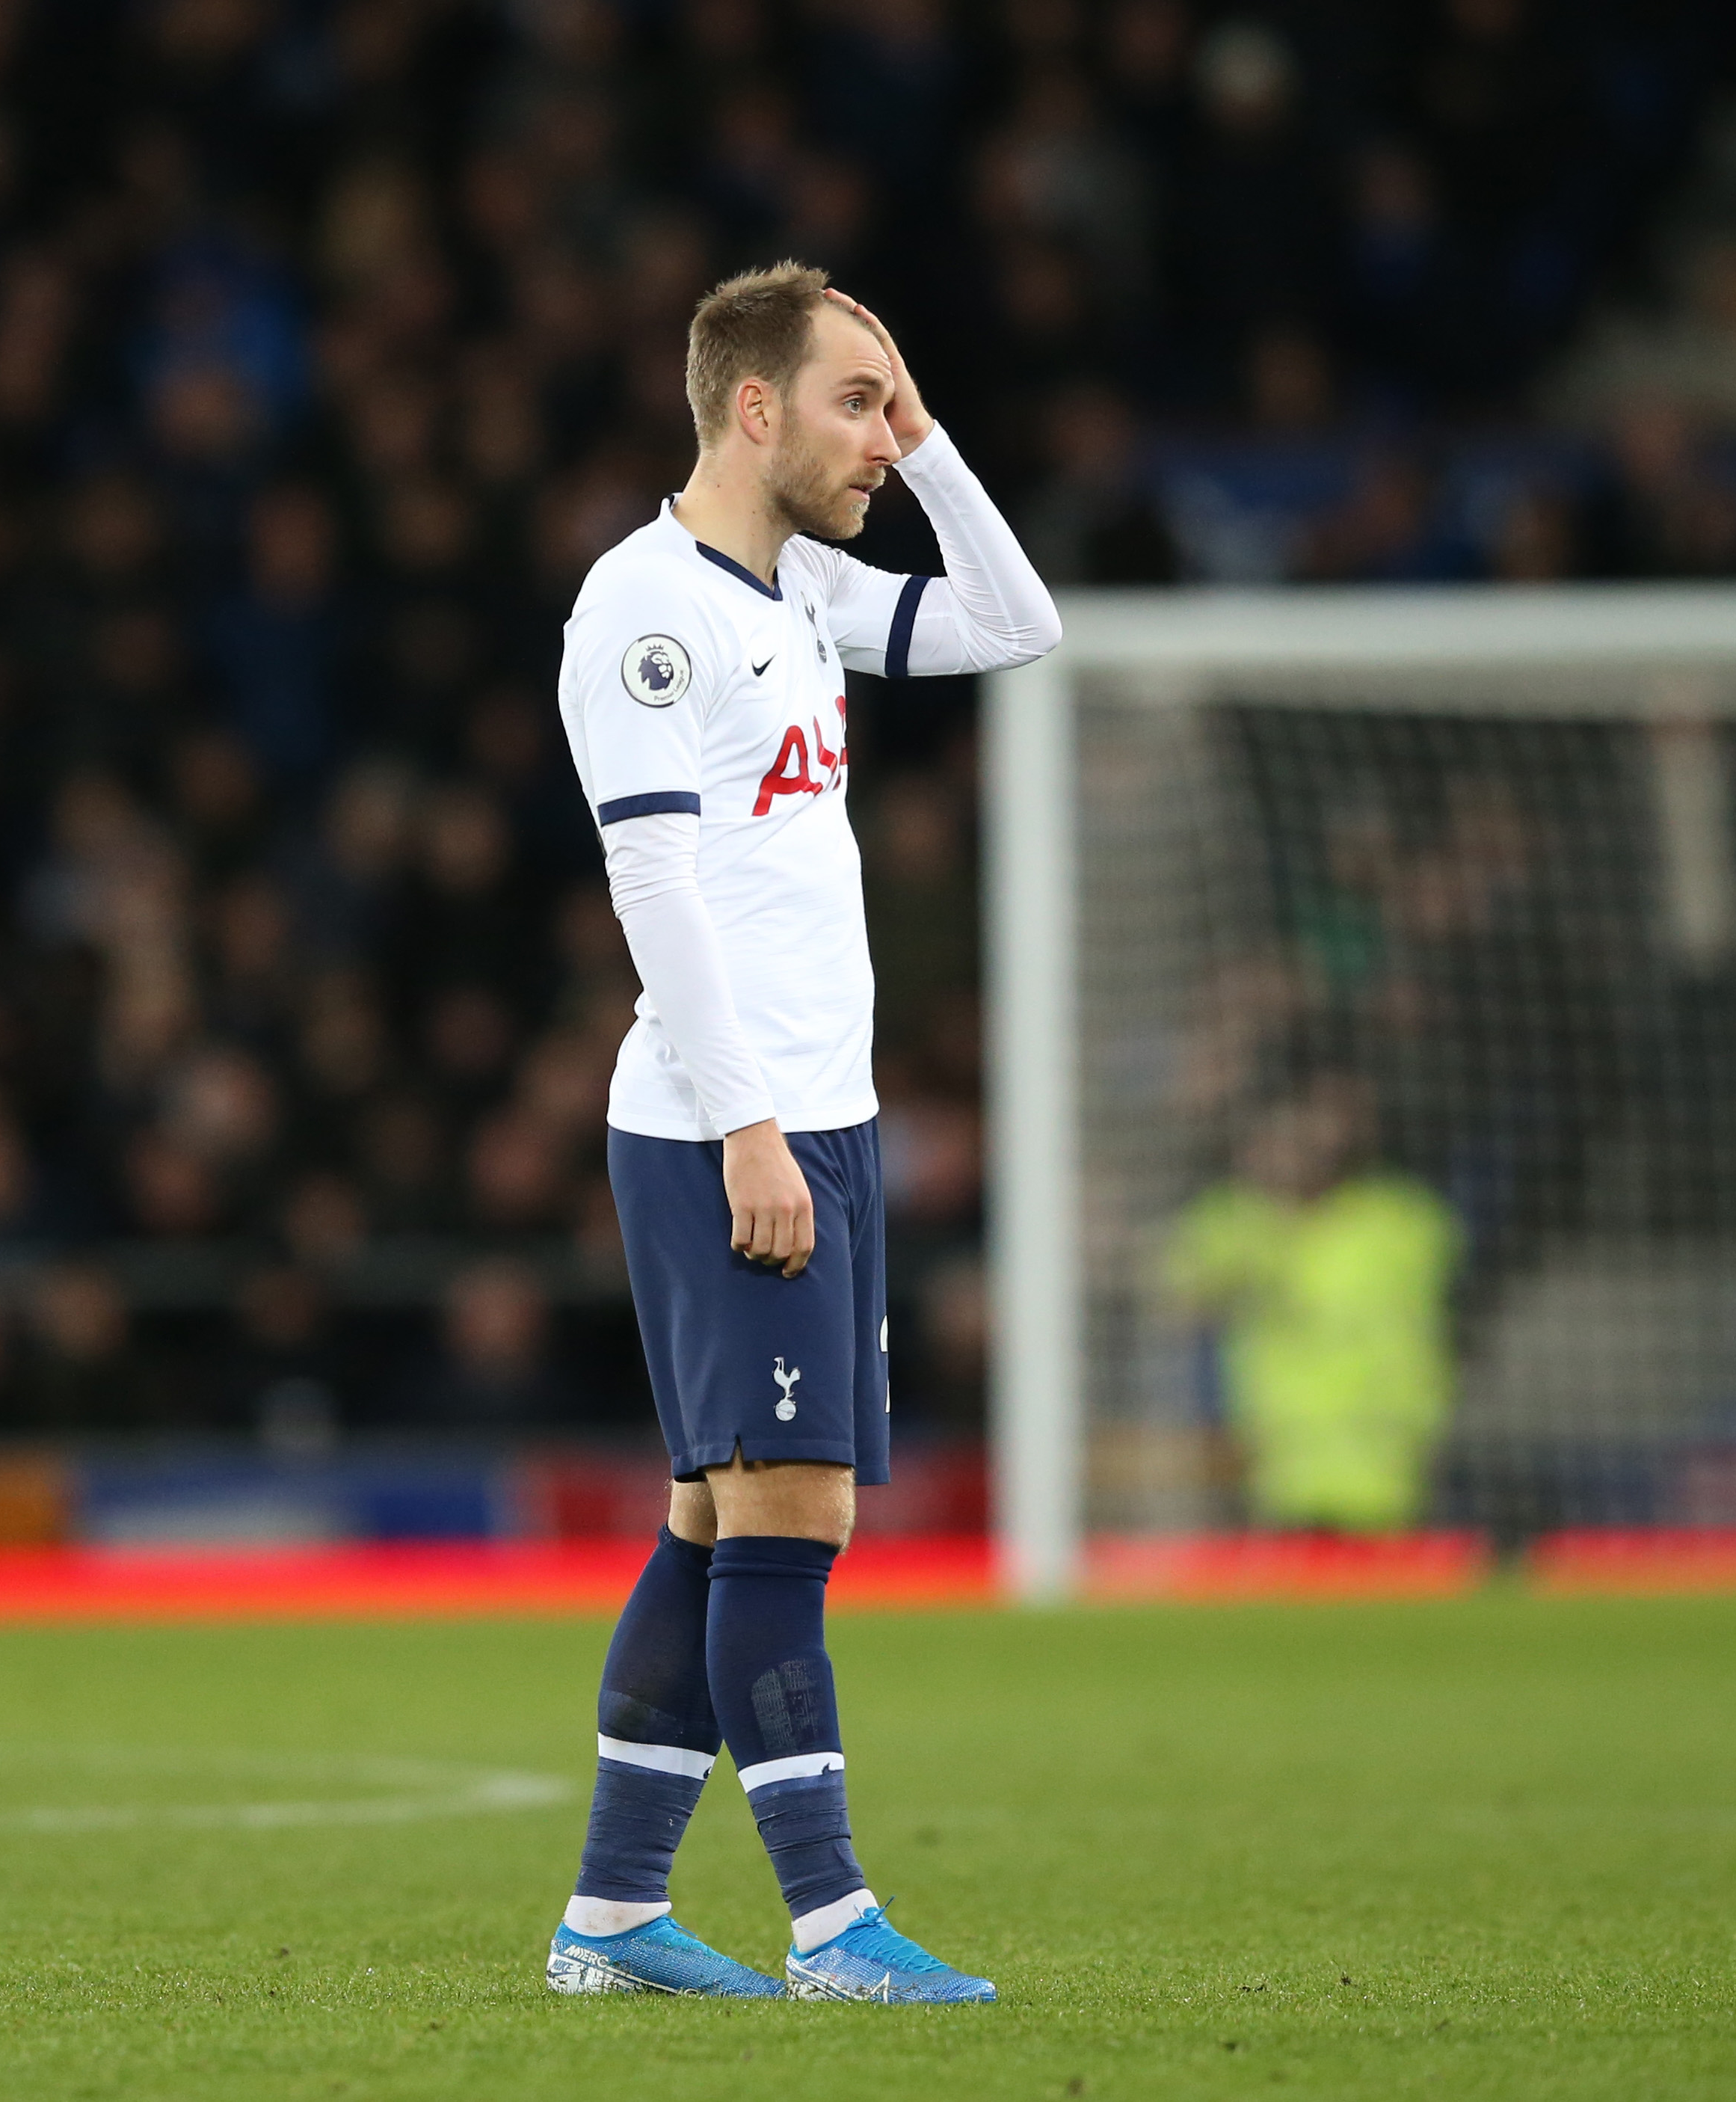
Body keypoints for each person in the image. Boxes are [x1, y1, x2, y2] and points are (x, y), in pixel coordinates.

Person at [544, 264, 1058, 2002]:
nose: (874, 434)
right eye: (852, 400)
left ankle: (612, 1915)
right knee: (789, 1515)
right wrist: (749, 1127)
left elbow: (1015, 624)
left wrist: (927, 440)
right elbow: (653, 876)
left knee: (716, 1521)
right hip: (722, 1126)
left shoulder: (800, 590)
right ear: (750, 407)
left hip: (810, 1121)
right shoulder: (643, 607)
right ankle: (833, 1924)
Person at [1165, 1077, 1462, 1533]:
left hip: (1385, 1447)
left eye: (1297, 1140)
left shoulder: (1397, 1217)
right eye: (1269, 1142)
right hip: (1278, 1454)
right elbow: (1176, 1299)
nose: (1280, 1156)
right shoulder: (1231, 1221)